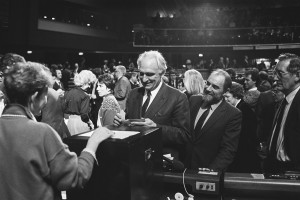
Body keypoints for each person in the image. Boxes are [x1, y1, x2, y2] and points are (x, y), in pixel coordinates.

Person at [0, 61, 114, 200]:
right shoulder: (41, 133)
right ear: (35, 96)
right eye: (45, 93)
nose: (47, 98)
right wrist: (92, 144)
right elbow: (74, 177)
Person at [114, 50, 190, 160]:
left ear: (162, 73)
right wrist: (121, 122)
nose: (144, 79)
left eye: (150, 74)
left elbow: (184, 135)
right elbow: (130, 122)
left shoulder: (178, 97)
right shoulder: (133, 94)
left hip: (160, 161)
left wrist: (155, 128)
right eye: (141, 73)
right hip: (133, 157)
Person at [186, 69, 242, 171]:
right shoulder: (193, 100)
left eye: (215, 87)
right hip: (183, 168)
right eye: (208, 83)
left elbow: (228, 150)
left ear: (226, 91)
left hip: (207, 171)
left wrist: (211, 171)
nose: (208, 88)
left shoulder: (233, 114)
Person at [265, 53, 300, 173]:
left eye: (280, 73)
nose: (275, 78)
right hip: (275, 168)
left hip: (293, 172)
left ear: (298, 75)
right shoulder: (283, 101)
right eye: (275, 73)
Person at [224, 82, 260, 173]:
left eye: (227, 97)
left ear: (236, 96)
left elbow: (245, 137)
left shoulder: (242, 110)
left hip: (245, 155)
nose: (225, 100)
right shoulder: (240, 107)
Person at [63, 70, 96, 135]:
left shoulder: (68, 92)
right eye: (89, 84)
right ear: (84, 83)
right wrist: (90, 123)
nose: (89, 86)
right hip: (81, 122)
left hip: (69, 122)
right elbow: (84, 115)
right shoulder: (85, 96)